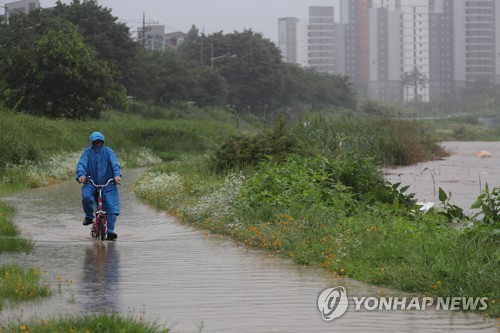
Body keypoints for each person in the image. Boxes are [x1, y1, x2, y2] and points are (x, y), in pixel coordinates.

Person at [75, 131, 122, 240]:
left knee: (111, 207)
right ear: (92, 142)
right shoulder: (87, 152)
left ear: (103, 141)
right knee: (86, 197)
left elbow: (115, 164)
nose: (98, 143)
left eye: (100, 141)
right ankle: (89, 216)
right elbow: (81, 164)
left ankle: (110, 231)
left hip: (108, 184)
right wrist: (81, 175)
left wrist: (117, 175)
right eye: (96, 142)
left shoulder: (109, 151)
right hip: (90, 182)